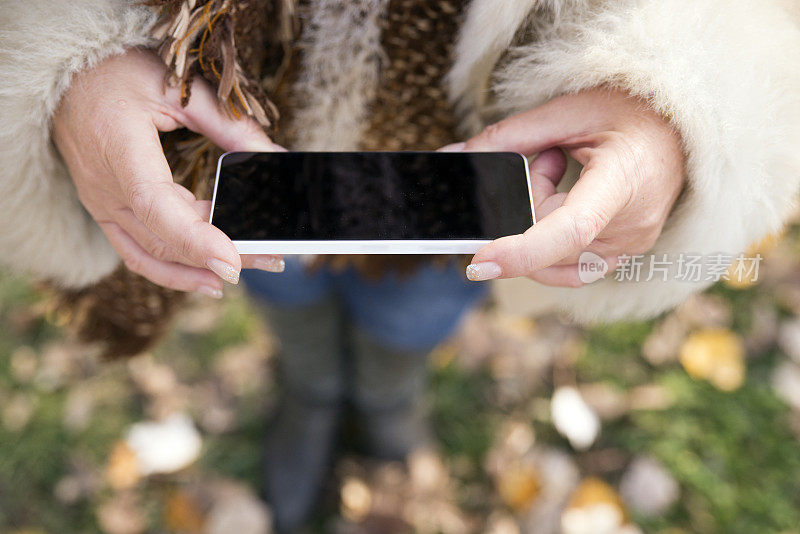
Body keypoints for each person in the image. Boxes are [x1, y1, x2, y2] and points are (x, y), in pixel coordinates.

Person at [2, 0, 799, 531]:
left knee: (412, 318)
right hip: (258, 178)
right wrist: (67, 61)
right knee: (285, 291)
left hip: (451, 205)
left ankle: (386, 398)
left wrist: (676, 102)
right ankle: (313, 393)